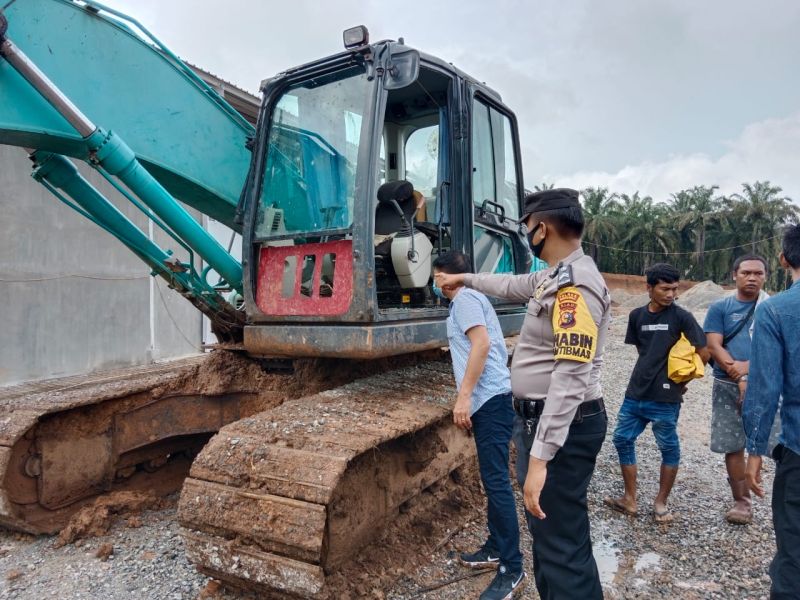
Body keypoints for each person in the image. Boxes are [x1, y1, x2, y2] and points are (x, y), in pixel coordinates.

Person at [435, 188, 611, 600]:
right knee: (551, 541)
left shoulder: (574, 287)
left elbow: (570, 375)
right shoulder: (556, 274)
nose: (526, 234)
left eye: (526, 227)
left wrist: (541, 458)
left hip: (562, 424)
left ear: (541, 228)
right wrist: (465, 278)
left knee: (562, 545)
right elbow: (513, 284)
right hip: (551, 421)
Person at [431, 251, 524, 600]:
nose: (434, 283)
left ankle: (512, 568)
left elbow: (481, 344)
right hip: (493, 400)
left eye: (435, 277)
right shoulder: (471, 299)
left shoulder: (466, 298)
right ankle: (496, 546)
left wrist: (464, 397)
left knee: (497, 482)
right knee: (492, 477)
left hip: (491, 400)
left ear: (444, 277)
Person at [605, 263, 709, 523]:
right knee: (621, 439)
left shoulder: (682, 317)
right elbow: (642, 350)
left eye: (675, 289)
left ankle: (660, 503)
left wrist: (683, 382)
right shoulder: (636, 316)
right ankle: (630, 499)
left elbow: (703, 350)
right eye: (665, 289)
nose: (671, 294)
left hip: (665, 399)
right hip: (635, 393)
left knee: (668, 448)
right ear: (649, 288)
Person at [743, 224, 800, 599]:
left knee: (794, 557)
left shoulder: (776, 311)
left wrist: (755, 450)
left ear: (782, 260)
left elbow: (765, 389)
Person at [704, 254, 779, 524]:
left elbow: (778, 348)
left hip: (767, 385)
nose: (752, 278)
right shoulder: (720, 308)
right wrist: (738, 374)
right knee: (733, 445)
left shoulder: (773, 308)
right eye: (746, 272)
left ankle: (782, 500)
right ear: (734, 274)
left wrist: (746, 370)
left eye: (758, 273)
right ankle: (742, 502)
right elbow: (713, 345)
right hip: (726, 384)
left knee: (778, 443)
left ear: (766, 277)